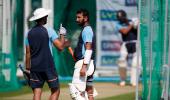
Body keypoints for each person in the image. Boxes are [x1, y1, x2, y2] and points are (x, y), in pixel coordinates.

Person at [25, 8, 67, 100]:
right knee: (56, 90)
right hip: (48, 65)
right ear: (43, 18)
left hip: (35, 67)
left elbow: (28, 53)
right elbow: (60, 47)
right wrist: (62, 34)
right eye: (46, 16)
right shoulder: (49, 31)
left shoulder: (28, 33)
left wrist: (28, 69)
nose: (47, 18)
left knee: (37, 91)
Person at [68, 9, 97, 100]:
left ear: (86, 18)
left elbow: (88, 49)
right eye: (77, 17)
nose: (77, 19)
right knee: (89, 92)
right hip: (88, 63)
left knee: (76, 93)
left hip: (84, 64)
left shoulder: (87, 30)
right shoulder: (87, 29)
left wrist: (84, 66)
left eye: (79, 17)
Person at [115, 10, 140, 86]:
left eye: (121, 17)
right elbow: (125, 31)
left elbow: (139, 27)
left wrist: (137, 23)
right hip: (125, 43)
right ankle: (122, 80)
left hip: (136, 42)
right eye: (119, 18)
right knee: (122, 61)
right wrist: (132, 25)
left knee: (136, 63)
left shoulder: (131, 21)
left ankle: (134, 81)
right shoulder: (118, 24)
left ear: (124, 16)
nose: (120, 19)